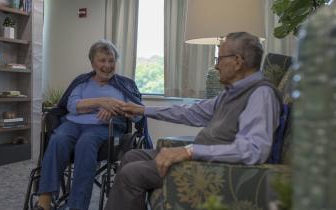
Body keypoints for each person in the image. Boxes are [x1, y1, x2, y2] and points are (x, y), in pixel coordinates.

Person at [104, 32, 283, 210]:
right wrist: (143, 110)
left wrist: (190, 151)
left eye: (219, 59)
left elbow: (253, 150)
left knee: (131, 174)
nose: (216, 65)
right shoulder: (231, 93)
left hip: (213, 167)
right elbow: (191, 112)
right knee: (132, 155)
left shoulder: (261, 94)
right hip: (201, 158)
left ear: (237, 61)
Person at [34, 39, 150, 210]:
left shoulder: (124, 85)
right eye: (102, 60)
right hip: (73, 123)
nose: (107, 65)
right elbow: (72, 105)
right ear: (93, 63)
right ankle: (44, 201)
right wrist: (101, 102)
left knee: (86, 142)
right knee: (58, 138)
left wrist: (115, 108)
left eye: (111, 60)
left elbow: (137, 115)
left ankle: (77, 206)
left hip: (104, 127)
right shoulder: (82, 82)